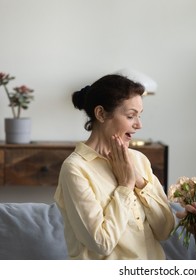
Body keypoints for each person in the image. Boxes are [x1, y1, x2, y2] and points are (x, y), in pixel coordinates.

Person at [54, 74, 175, 260]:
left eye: (140, 116)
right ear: (101, 114)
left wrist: (139, 181)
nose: (139, 124)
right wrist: (126, 186)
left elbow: (165, 230)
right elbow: (102, 243)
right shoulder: (75, 169)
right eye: (130, 116)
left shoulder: (139, 160)